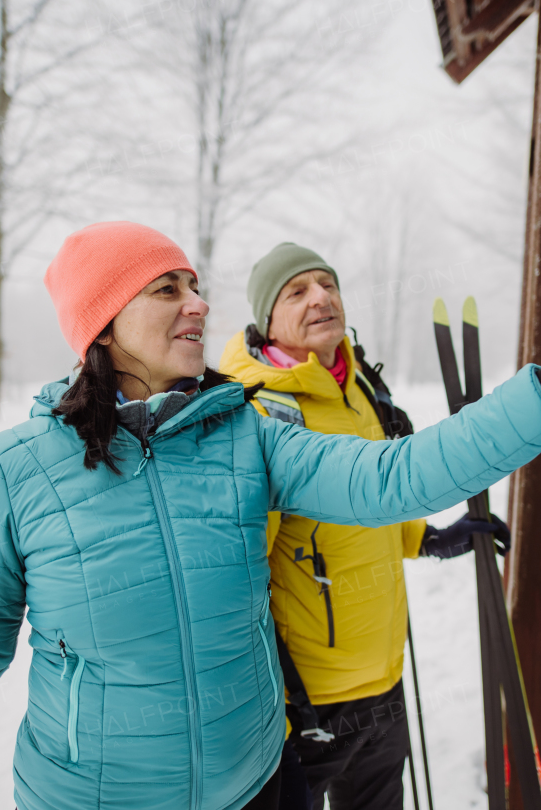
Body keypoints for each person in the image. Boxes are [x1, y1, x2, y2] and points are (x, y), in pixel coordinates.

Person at [0, 222, 541, 810]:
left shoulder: (247, 433)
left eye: (195, 284)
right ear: (102, 323)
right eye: (167, 288)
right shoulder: (18, 469)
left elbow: (394, 477)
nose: (199, 304)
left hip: (253, 786)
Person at [218, 243, 512, 809]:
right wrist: (275, 702)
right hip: (307, 704)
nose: (321, 297)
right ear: (267, 319)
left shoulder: (362, 388)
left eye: (328, 284)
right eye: (298, 290)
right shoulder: (256, 412)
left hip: (384, 677)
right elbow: (239, 576)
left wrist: (426, 537)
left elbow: (377, 500)